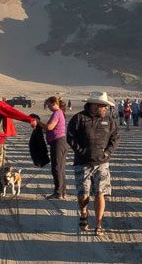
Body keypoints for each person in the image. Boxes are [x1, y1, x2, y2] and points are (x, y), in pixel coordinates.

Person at [67, 92, 120, 234]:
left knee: (100, 193)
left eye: (106, 107)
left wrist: (107, 153)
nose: (105, 109)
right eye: (103, 106)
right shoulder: (79, 118)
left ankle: (98, 224)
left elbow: (115, 138)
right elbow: (70, 138)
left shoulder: (109, 120)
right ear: (94, 105)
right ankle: (83, 214)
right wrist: (82, 151)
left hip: (102, 163)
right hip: (82, 162)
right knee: (83, 193)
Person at [39, 96, 69, 199]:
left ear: (53, 103)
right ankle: (62, 191)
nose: (48, 107)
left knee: (56, 168)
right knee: (60, 168)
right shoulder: (58, 113)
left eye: (48, 105)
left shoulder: (57, 113)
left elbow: (49, 127)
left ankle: (58, 192)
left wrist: (38, 122)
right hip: (58, 142)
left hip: (58, 142)